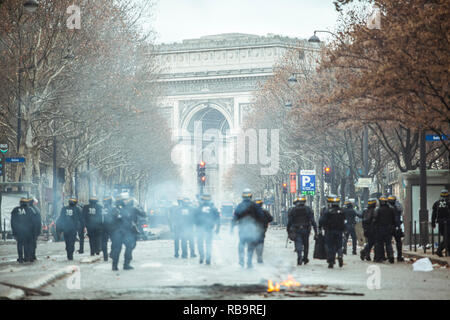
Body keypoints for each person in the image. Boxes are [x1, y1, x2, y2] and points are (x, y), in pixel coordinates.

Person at [110, 195, 145, 271]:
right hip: (127, 232)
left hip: (117, 233)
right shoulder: (132, 209)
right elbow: (143, 214)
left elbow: (109, 222)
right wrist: (140, 207)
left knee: (117, 249)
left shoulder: (113, 209)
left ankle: (114, 266)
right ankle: (126, 264)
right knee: (129, 248)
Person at [231, 189, 263, 268]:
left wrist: (231, 228)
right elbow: (261, 216)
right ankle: (249, 262)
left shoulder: (239, 206)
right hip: (252, 229)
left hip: (242, 229)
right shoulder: (254, 205)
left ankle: (241, 261)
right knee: (251, 245)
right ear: (251, 196)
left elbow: (234, 218)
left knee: (241, 244)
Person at [287, 196, 317, 266]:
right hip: (306, 229)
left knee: (298, 243)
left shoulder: (293, 210)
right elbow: (312, 221)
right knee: (306, 244)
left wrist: (288, 230)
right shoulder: (308, 209)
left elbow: (290, 221)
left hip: (296, 229)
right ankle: (305, 258)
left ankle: (299, 256)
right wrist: (316, 230)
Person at [319, 196, 345, 268]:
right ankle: (340, 255)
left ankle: (331, 261)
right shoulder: (342, 211)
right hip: (339, 232)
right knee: (339, 245)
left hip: (329, 232)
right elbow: (345, 221)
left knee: (330, 246)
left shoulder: (327, 211)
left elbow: (321, 221)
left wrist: (320, 228)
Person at [195, 193, 220, 265]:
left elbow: (195, 218)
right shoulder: (213, 208)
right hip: (209, 229)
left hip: (200, 229)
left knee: (200, 243)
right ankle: (208, 259)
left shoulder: (199, 208)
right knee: (208, 244)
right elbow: (217, 219)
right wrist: (217, 228)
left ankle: (202, 256)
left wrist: (195, 227)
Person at [11, 198, 35, 263]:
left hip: (19, 231)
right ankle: (26, 257)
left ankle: (20, 258)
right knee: (27, 244)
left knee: (20, 244)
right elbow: (33, 222)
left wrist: (14, 232)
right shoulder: (30, 210)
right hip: (28, 231)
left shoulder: (15, 210)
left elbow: (13, 222)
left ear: (20, 203)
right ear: (26, 203)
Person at [373, 196, 396, 263]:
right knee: (388, 243)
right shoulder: (391, 209)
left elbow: (375, 219)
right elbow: (393, 220)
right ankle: (391, 256)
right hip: (389, 228)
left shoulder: (378, 210)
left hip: (380, 229)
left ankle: (379, 257)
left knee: (380, 243)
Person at [432, 189, 450, 257]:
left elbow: (434, 214)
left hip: (440, 223)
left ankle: (447, 252)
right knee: (447, 238)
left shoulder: (437, 203)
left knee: (446, 237)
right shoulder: (448, 202)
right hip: (448, 223)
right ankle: (439, 250)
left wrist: (433, 223)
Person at [254, 198, 273, 264]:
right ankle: (260, 256)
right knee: (261, 243)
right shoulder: (265, 212)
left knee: (256, 243)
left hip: (254, 231)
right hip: (262, 230)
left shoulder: (252, 213)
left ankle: (258, 255)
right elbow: (271, 218)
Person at [387, 195, 405, 262]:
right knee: (398, 242)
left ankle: (390, 255)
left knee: (388, 242)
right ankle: (399, 256)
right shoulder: (398, 207)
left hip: (389, 226)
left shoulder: (387, 207)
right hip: (397, 226)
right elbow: (400, 216)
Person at [28, 197, 42, 261]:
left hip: (29, 229)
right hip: (35, 229)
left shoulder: (28, 209)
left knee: (28, 243)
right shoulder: (36, 209)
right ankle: (33, 255)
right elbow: (39, 221)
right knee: (33, 243)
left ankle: (30, 256)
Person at [101, 196, 114, 261]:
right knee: (114, 241)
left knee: (104, 242)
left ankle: (105, 257)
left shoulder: (101, 208)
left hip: (103, 226)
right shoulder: (112, 208)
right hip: (111, 226)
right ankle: (112, 253)